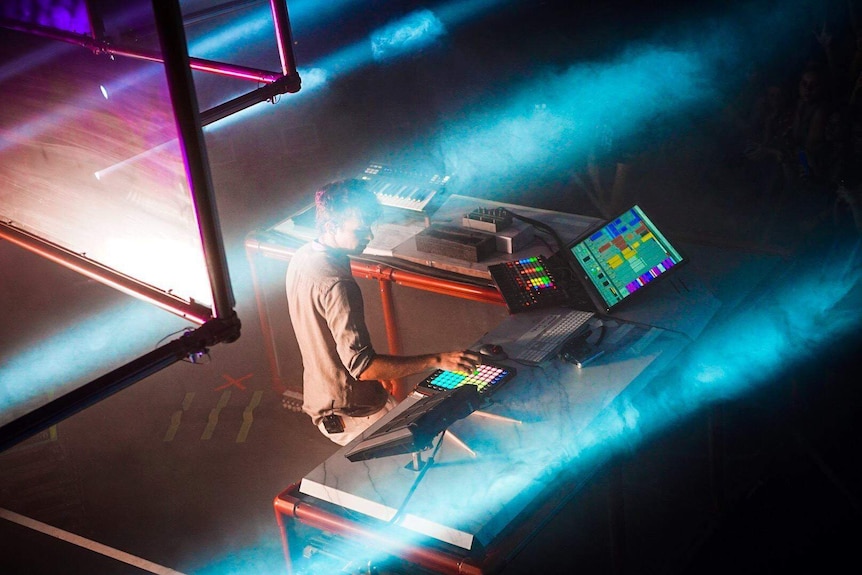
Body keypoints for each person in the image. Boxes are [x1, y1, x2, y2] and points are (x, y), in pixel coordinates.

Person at [285, 179, 482, 446]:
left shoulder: (303, 256)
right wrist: (438, 359)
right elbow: (363, 367)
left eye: (370, 226)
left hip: (326, 397)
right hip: (356, 413)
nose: (369, 236)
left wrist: (382, 374)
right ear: (331, 226)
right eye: (360, 229)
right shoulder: (337, 284)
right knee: (429, 451)